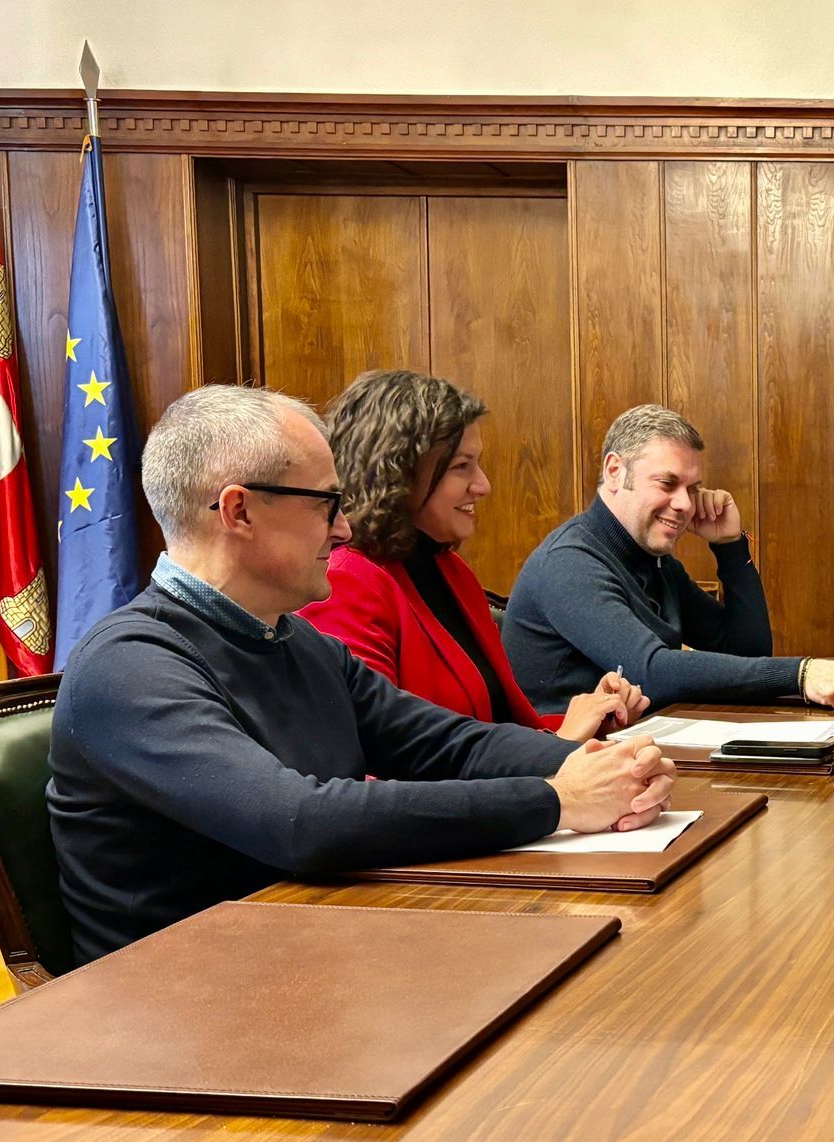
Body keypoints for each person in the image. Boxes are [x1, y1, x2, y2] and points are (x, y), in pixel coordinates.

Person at [47, 385, 675, 963]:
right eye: (328, 504)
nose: (346, 527)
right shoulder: (129, 664)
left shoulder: (296, 640)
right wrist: (558, 800)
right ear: (237, 511)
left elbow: (448, 743)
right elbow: (299, 821)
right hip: (180, 1005)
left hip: (311, 950)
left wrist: (595, 761)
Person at [302, 369, 648, 742]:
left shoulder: (452, 571)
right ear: (398, 472)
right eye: (461, 467)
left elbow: (501, 729)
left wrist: (589, 720)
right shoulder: (346, 581)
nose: (483, 485)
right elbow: (375, 761)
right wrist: (561, 745)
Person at [503, 405, 834, 713]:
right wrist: (801, 674)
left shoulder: (654, 559)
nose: (685, 503)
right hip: (565, 771)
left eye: (693, 489)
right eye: (667, 484)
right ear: (615, 472)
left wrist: (731, 545)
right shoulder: (569, 562)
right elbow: (649, 671)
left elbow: (747, 649)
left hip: (635, 749)